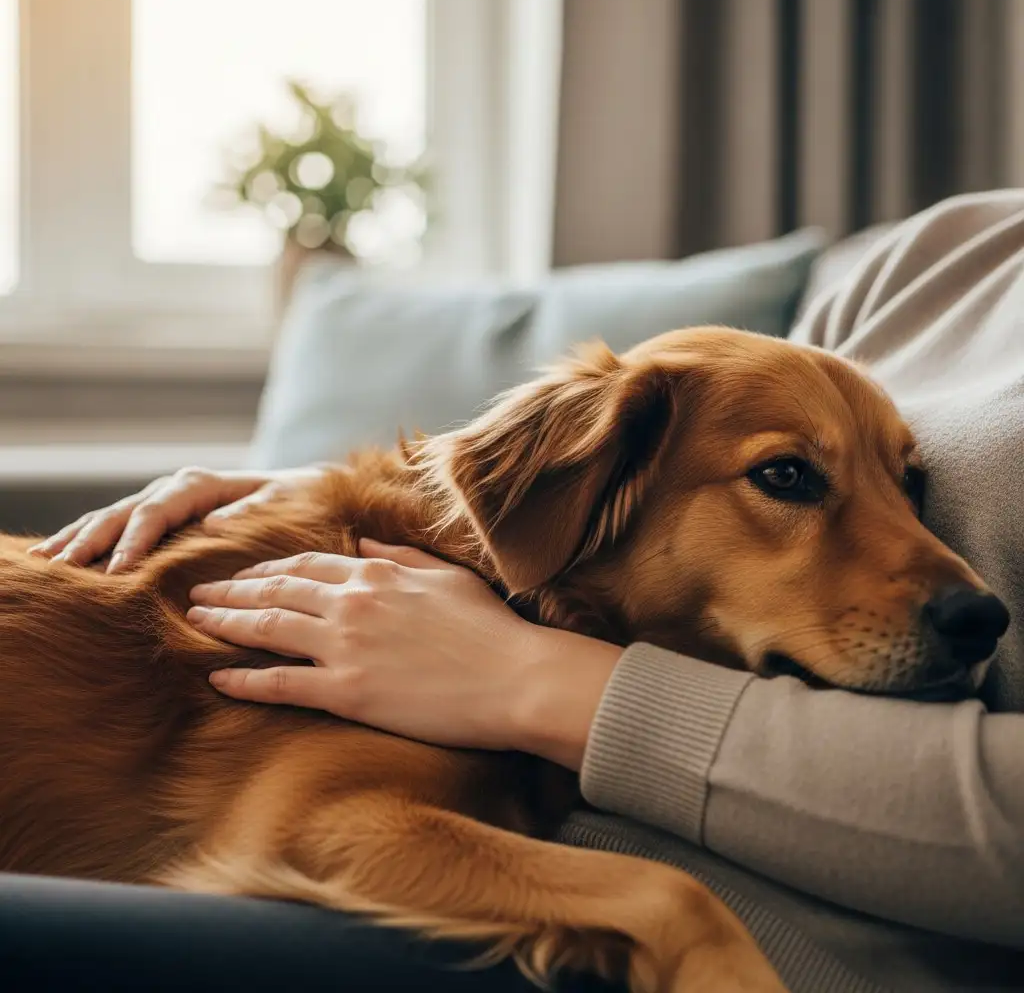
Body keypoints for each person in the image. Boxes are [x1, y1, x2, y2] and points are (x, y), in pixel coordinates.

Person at [7, 190, 1024, 992]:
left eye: (906, 487)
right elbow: (661, 436)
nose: (958, 587)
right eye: (790, 477)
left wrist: (536, 685)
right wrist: (320, 490)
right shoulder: (943, 251)